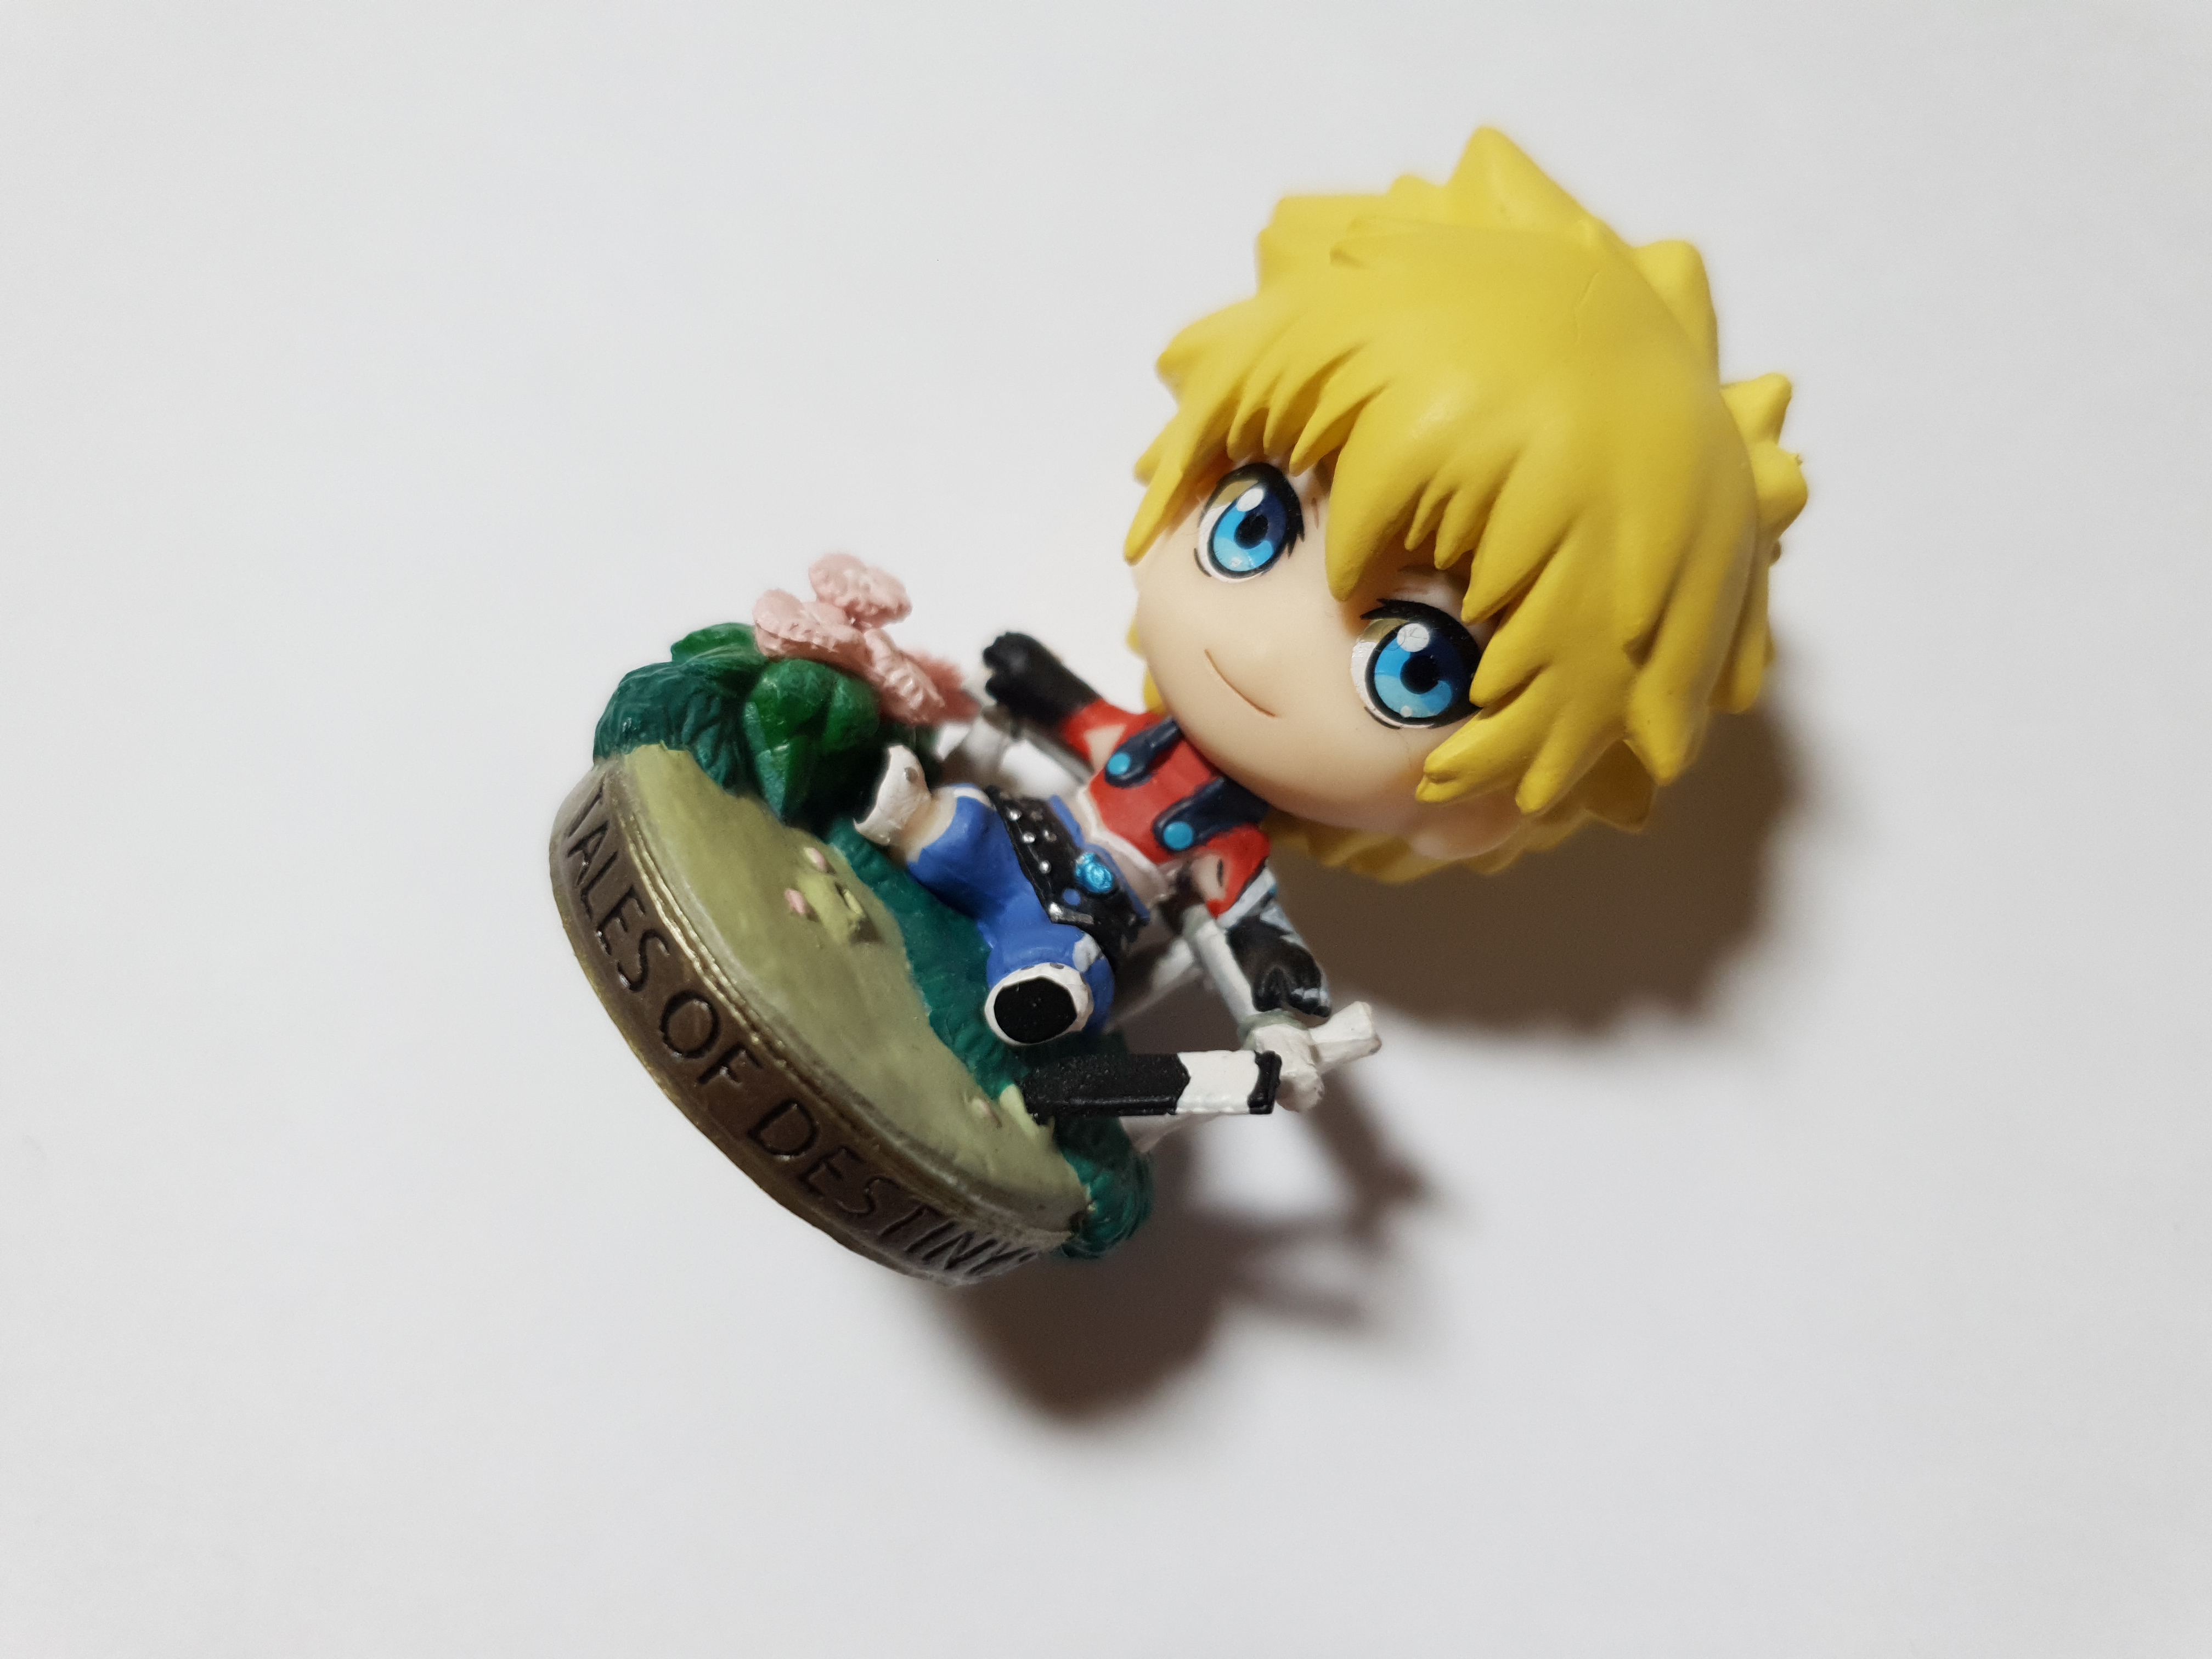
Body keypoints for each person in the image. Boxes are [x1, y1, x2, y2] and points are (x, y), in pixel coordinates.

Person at [856, 127, 1807, 1101]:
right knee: (954, 830)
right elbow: (1073, 715)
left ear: (1480, 811)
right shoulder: (1132, 744)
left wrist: (1283, 993)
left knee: (1063, 971)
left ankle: (1034, 996)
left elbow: (1254, 931)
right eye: (1253, 526)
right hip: (1026, 830)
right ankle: (898, 819)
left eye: (1413, 667)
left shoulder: (1227, 850)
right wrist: (1026, 678)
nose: (1270, 648)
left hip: (1082, 924)